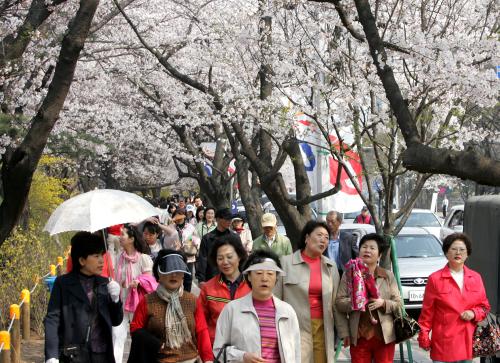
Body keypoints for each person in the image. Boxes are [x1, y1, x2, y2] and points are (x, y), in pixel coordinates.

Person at [44, 232, 123, 363]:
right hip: (73, 355)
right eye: (96, 256)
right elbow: (52, 319)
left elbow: (116, 320)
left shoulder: (106, 283)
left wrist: (115, 300)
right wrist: (52, 355)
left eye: (102, 255)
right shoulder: (62, 284)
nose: (101, 261)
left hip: (101, 355)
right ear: (81, 260)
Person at [213, 249, 301, 363]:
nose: (264, 278)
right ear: (249, 276)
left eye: (270, 273)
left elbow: (296, 353)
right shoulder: (232, 309)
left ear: (276, 278)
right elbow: (218, 350)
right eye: (258, 273)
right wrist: (242, 356)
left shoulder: (287, 312)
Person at [274, 220, 342, 363]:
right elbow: (275, 300)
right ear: (306, 238)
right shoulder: (285, 263)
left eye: (327, 237)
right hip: (295, 326)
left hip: (323, 327)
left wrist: (344, 331)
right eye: (319, 235)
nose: (323, 239)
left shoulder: (331, 266)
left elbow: (336, 303)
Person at [129, 250, 214, 363]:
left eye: (178, 271)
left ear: (183, 274)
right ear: (159, 274)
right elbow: (135, 329)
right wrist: (155, 344)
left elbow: (202, 332)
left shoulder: (192, 300)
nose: (174, 275)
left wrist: (208, 360)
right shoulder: (147, 301)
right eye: (168, 270)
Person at [418, 233, 490, 362]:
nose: (458, 253)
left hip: (468, 341)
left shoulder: (476, 277)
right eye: (453, 249)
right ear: (446, 252)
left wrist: (473, 313)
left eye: (462, 249)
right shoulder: (435, 279)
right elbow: (427, 312)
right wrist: (423, 335)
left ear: (467, 253)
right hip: (444, 343)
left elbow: (484, 307)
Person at [335, 233, 402, 363]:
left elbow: (398, 304)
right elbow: (339, 303)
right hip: (359, 335)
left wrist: (383, 303)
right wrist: (355, 301)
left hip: (384, 336)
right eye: (364, 247)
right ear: (359, 251)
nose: (367, 250)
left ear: (380, 255)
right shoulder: (349, 274)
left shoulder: (387, 276)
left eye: (372, 248)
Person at [113, 224, 154, 363]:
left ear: (131, 239)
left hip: (139, 304)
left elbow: (150, 281)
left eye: (123, 234)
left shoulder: (143, 258)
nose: (120, 237)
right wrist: (123, 283)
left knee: (139, 337)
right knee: (117, 335)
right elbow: (118, 280)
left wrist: (137, 282)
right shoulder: (120, 258)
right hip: (122, 302)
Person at [198, 237, 251, 344]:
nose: (225, 262)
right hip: (216, 349)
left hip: (246, 349)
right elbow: (200, 322)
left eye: (229, 257)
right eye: (220, 258)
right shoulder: (208, 288)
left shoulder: (252, 286)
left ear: (239, 256)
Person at [196, 208, 243, 284]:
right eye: (226, 219)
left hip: (232, 277)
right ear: (218, 219)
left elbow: (241, 257)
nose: (229, 221)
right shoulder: (207, 238)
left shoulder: (235, 237)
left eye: (230, 219)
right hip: (212, 277)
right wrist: (201, 279)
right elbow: (202, 259)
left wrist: (243, 276)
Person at [161, 211, 200, 292]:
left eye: (180, 215)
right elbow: (165, 241)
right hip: (175, 256)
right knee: (176, 277)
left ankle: (187, 295)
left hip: (188, 255)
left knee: (188, 277)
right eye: (176, 216)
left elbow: (196, 238)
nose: (178, 218)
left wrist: (189, 241)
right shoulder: (171, 227)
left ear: (184, 216)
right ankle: (176, 294)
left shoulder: (190, 227)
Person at [325, 210, 358, 276]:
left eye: (332, 222)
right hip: (327, 273)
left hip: (344, 274)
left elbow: (357, 258)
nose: (329, 224)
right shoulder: (323, 238)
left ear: (339, 222)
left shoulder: (349, 238)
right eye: (327, 221)